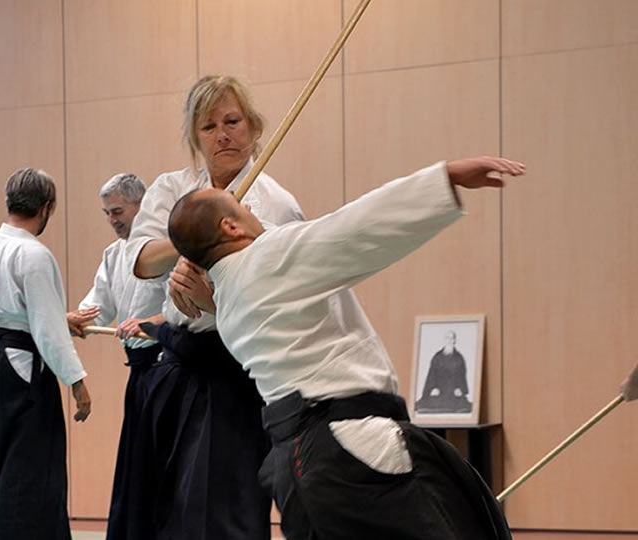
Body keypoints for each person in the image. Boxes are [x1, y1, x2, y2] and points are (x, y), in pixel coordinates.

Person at [165, 156, 526, 540]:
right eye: (241, 207)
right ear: (230, 225)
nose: (252, 208)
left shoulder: (228, 306)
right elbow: (355, 227)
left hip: (298, 467)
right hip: (347, 450)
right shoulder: (269, 258)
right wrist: (444, 178)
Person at [123, 75, 304, 540]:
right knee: (164, 510)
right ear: (194, 136)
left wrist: (212, 286)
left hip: (238, 370)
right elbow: (140, 260)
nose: (223, 134)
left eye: (232, 121)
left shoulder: (276, 204)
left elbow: (285, 291)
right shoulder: (172, 189)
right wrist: (188, 241)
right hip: (178, 367)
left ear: (253, 126)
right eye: (209, 126)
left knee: (224, 512)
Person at [0, 168, 91, 540]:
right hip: (22, 368)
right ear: (47, 207)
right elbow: (47, 333)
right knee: (30, 473)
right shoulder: (34, 254)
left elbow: (5, 312)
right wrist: (77, 383)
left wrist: (55, 317)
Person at [65, 173, 166, 539]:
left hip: (167, 367)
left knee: (160, 463)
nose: (113, 220)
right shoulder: (113, 254)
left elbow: (184, 310)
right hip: (139, 372)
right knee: (136, 467)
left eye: (118, 211)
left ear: (142, 206)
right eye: (107, 213)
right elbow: (98, 306)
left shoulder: (165, 247)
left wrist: (152, 323)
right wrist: (75, 318)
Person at [415, 329, 472, 413]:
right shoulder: (437, 357)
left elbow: (462, 376)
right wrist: (433, 388)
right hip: (439, 390)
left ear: (454, 340)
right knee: (428, 403)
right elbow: (431, 375)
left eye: (451, 338)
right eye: (447, 338)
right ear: (444, 340)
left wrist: (460, 389)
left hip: (453, 390)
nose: (449, 340)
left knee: (462, 405)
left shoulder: (459, 358)